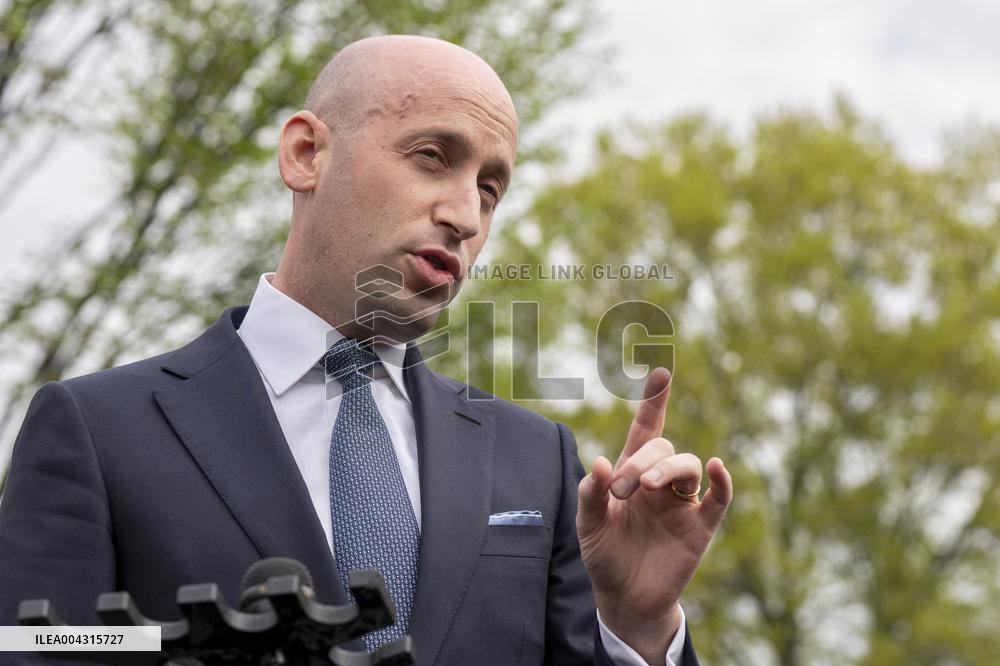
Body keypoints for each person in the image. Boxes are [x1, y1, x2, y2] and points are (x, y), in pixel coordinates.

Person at [0, 35, 732, 665]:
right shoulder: (98, 434)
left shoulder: (538, 466)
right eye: (431, 156)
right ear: (305, 153)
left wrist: (635, 625)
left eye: (490, 187)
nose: (465, 215)